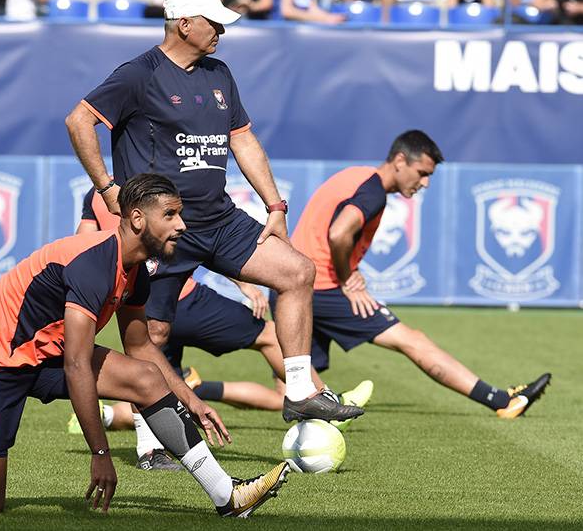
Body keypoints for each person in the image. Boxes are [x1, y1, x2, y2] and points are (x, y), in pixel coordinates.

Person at [0, 174, 290, 517]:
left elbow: (143, 349)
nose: (181, 225)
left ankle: (226, 497)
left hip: (45, 354)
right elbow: (76, 367)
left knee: (147, 378)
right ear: (136, 218)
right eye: (170, 214)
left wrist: (190, 399)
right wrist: (100, 454)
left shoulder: (137, 272)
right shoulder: (94, 264)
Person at [65, 0, 361, 425]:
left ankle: (299, 390)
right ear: (183, 24)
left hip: (220, 220)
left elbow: (242, 140)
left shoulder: (220, 74)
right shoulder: (138, 74)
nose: (222, 29)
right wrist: (108, 190)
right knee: (152, 333)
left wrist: (275, 207)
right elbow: (79, 120)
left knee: (298, 272)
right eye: (213, 21)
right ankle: (151, 437)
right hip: (164, 232)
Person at [71, 187, 372, 470]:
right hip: (178, 297)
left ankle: (135, 434)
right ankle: (317, 396)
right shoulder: (158, 191)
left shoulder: (99, 193)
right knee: (269, 336)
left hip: (138, 298)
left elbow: (82, 244)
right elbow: (202, 243)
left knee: (151, 380)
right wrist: (243, 281)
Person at [277, 130, 551, 419]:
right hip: (323, 287)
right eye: (421, 173)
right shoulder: (372, 191)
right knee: (412, 340)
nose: (425, 183)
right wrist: (348, 279)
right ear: (399, 160)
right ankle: (502, 401)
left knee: (292, 393)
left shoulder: (355, 176)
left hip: (294, 289)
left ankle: (222, 393)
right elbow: (339, 233)